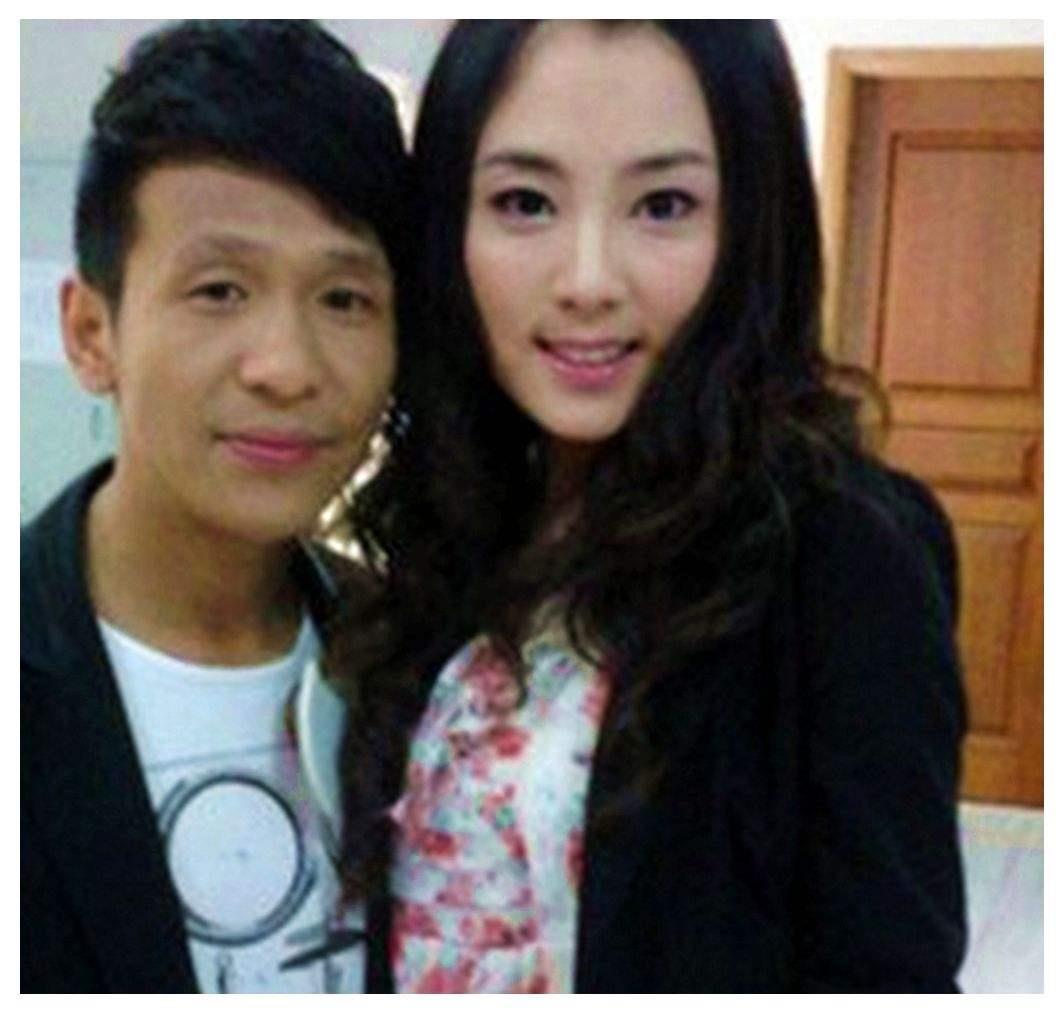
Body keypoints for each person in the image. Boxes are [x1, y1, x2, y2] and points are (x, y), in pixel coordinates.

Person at [312, 19, 967, 993]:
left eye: (663, 205)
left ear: (750, 228)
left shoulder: (838, 549)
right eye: (524, 202)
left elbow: (886, 970)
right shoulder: (461, 524)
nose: (587, 281)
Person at [21, 20, 408, 993]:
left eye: (344, 300)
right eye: (220, 289)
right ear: (91, 331)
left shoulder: (418, 660)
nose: (285, 367)